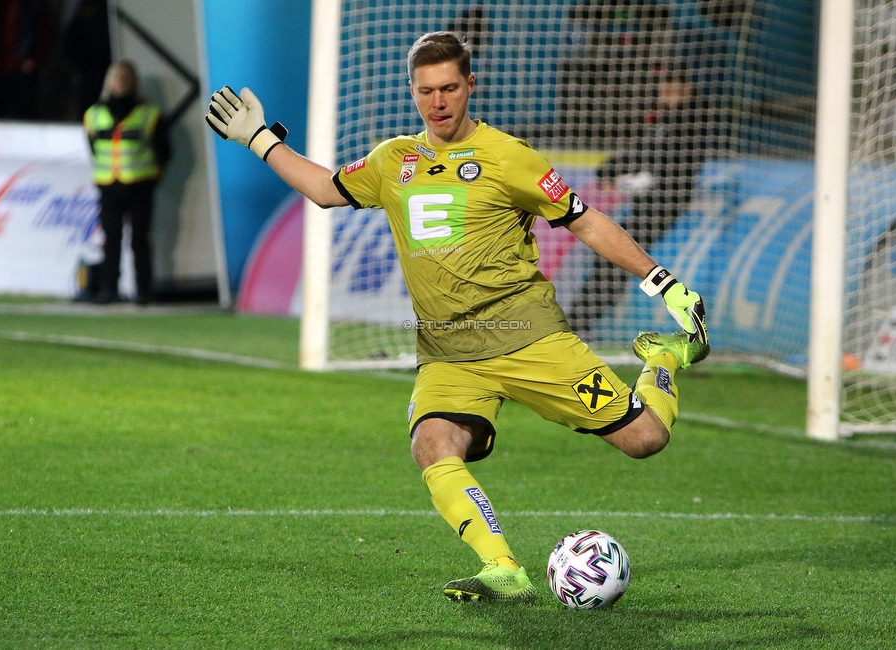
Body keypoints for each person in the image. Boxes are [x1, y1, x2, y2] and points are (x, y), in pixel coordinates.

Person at [206, 32, 709, 602]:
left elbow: (585, 220)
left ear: (471, 85)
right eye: (426, 91)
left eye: (449, 88)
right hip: (448, 352)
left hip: (528, 337)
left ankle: (663, 357)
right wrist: (257, 139)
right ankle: (503, 570)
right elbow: (324, 189)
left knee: (646, 439)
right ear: (413, 92)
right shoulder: (393, 160)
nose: (438, 102)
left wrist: (659, 279)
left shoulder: (510, 157)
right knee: (432, 444)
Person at [569, 66, 712, 339]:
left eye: (675, 92)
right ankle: (578, 325)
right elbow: (638, 152)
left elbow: (677, 165)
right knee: (609, 257)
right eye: (665, 91)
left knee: (616, 260)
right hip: (649, 202)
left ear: (687, 92)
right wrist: (611, 171)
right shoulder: (661, 123)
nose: (669, 97)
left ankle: (577, 327)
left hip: (667, 201)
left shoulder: (692, 122)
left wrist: (643, 179)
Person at [84, 60, 170, 305]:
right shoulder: (94, 114)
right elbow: (93, 148)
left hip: (140, 185)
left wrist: (153, 177)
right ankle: (108, 290)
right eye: (116, 76)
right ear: (108, 81)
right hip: (108, 186)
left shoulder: (148, 113)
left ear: (133, 81)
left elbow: (163, 151)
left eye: (125, 77)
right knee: (111, 240)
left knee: (140, 240)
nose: (120, 81)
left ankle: (143, 291)